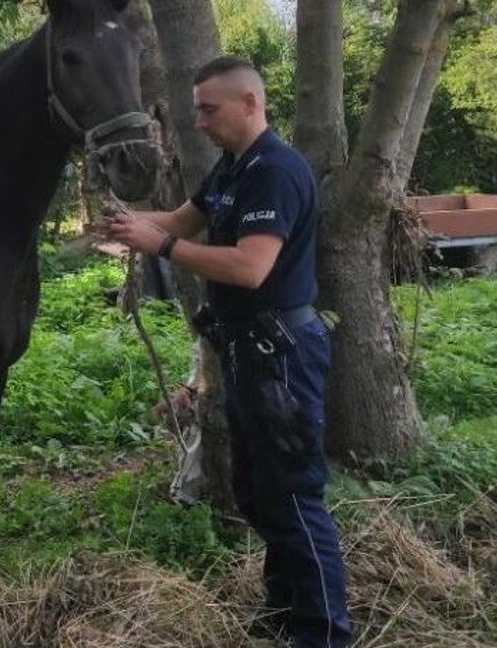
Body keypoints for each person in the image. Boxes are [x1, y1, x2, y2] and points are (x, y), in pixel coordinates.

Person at [105, 56, 352, 647]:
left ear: (250, 104)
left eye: (208, 109)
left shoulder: (275, 171)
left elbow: (249, 266)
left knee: (292, 495)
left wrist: (158, 244)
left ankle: (324, 634)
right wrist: (127, 223)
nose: (197, 121)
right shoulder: (231, 167)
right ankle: (283, 609)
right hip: (248, 354)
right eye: (196, 108)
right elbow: (181, 222)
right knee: (258, 492)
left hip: (281, 355)